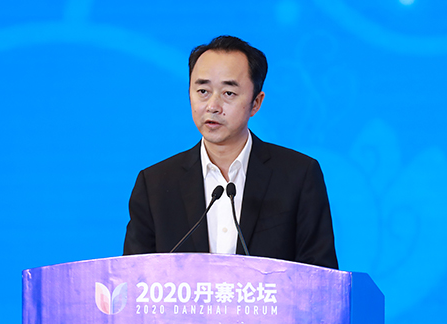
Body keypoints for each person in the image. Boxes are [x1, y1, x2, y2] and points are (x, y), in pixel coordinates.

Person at [123, 35, 338, 270]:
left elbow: (321, 277)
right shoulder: (155, 184)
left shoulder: (298, 176)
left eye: (228, 93)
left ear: (256, 103)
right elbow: (134, 278)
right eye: (203, 91)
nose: (212, 106)